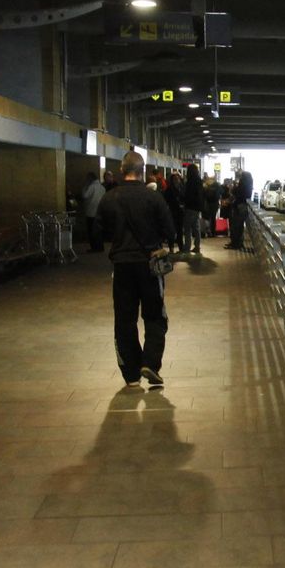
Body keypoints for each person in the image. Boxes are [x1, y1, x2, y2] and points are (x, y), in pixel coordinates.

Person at [97, 151, 176, 389]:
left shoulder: (109, 198)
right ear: (142, 172)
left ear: (122, 171)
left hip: (121, 266)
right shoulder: (154, 198)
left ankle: (131, 374)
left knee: (124, 319)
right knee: (155, 315)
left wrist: (118, 240)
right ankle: (150, 362)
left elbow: (97, 233)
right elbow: (170, 230)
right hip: (150, 264)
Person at [226, 168, 254, 249]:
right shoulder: (248, 186)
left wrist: (233, 187)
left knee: (236, 226)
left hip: (239, 206)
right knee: (238, 226)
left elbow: (235, 192)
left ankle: (236, 244)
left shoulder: (242, 186)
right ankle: (237, 243)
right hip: (243, 206)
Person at [180, 165, 204, 254]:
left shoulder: (190, 182)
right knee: (196, 228)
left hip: (190, 207)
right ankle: (197, 246)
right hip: (197, 208)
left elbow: (188, 195)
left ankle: (187, 247)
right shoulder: (199, 181)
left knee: (187, 228)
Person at [82, 172, 107, 253]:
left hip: (91, 212)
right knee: (98, 231)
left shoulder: (91, 187)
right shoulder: (102, 187)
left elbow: (85, 195)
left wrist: (85, 187)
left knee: (91, 231)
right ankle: (100, 247)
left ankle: (94, 248)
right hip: (100, 211)